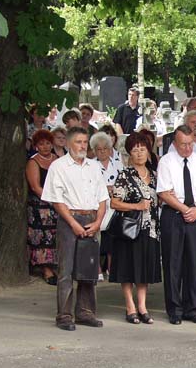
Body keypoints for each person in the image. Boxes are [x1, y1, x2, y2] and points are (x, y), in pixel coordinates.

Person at [41, 126, 110, 331]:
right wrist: (73, 223)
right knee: (66, 269)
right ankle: (64, 315)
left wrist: (98, 222)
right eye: (78, 142)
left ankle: (85, 312)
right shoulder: (59, 166)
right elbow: (57, 200)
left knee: (89, 269)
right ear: (69, 143)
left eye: (85, 142)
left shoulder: (93, 166)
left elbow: (102, 197)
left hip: (91, 217)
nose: (82, 146)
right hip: (69, 217)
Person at [156, 125, 196, 324]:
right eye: (183, 144)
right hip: (173, 215)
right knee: (173, 263)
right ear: (175, 143)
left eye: (190, 144)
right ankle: (174, 309)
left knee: (195, 263)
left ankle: (192, 308)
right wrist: (184, 209)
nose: (188, 148)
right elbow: (164, 192)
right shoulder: (166, 161)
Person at [109, 132, 162, 324]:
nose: (139, 153)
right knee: (128, 267)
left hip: (151, 229)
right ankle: (130, 306)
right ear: (129, 153)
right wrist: (137, 206)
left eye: (142, 149)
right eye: (135, 150)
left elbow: (159, 200)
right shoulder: (125, 175)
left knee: (144, 268)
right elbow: (114, 203)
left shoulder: (155, 175)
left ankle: (142, 306)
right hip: (130, 229)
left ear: (148, 151)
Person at [26, 129, 59, 285]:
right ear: (36, 146)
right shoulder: (33, 162)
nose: (45, 146)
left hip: (58, 202)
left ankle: (55, 264)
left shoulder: (57, 159)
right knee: (43, 237)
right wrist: (51, 201)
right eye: (41, 144)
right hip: (40, 204)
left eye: (47, 143)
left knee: (56, 234)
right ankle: (46, 269)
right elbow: (35, 187)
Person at [91, 131, 123, 280]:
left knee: (113, 235)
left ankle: (111, 267)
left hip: (115, 204)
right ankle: (96, 268)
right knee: (96, 236)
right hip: (97, 204)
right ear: (94, 150)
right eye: (99, 149)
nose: (102, 151)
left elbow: (123, 182)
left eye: (105, 148)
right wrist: (105, 188)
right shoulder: (91, 165)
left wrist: (114, 189)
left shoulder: (117, 164)